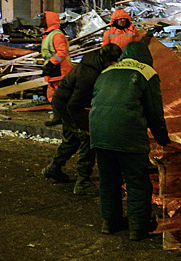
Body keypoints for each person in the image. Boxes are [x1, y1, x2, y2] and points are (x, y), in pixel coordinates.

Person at [89, 41, 169, 241]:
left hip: (99, 133)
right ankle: (138, 227)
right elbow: (154, 111)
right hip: (128, 134)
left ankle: (110, 222)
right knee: (137, 181)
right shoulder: (147, 72)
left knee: (108, 180)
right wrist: (163, 139)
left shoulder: (107, 71)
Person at [42, 44, 122, 192]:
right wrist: (83, 126)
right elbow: (74, 105)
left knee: (72, 140)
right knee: (88, 138)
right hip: (68, 106)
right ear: (107, 61)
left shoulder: (94, 61)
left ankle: (53, 168)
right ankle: (83, 182)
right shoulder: (89, 74)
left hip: (64, 103)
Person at [40, 11, 72, 105]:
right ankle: (56, 112)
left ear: (49, 20)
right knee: (52, 91)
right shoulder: (49, 35)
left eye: (43, 18)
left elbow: (62, 52)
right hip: (54, 68)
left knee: (60, 93)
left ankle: (61, 114)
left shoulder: (57, 35)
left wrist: (50, 64)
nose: (41, 21)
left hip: (60, 68)